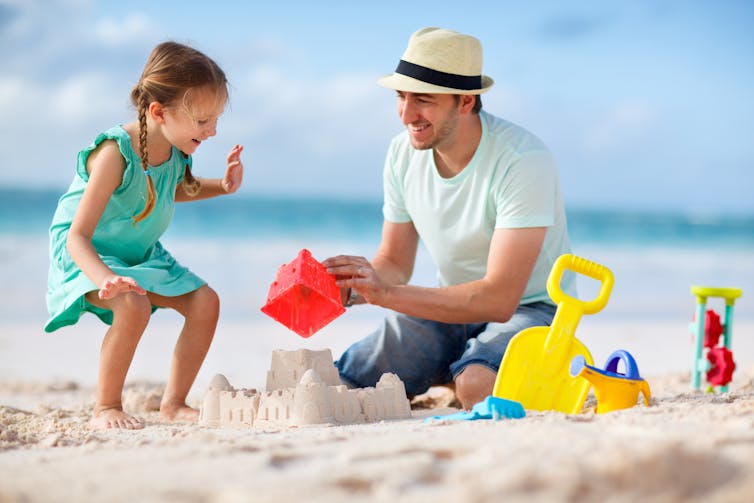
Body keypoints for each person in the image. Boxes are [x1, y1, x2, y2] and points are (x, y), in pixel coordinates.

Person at [323, 27, 573, 410]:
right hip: (450, 311)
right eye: (401, 97)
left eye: (423, 100)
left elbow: (501, 299)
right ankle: (453, 363)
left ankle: (466, 369)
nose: (407, 114)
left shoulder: (523, 160)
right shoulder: (401, 153)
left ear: (465, 102)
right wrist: (352, 286)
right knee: (340, 384)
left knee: (476, 387)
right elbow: (394, 262)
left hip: (532, 308)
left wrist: (386, 294)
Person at [44, 41, 244, 430]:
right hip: (88, 253)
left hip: (139, 252)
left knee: (206, 301)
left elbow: (171, 189)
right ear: (158, 112)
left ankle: (174, 403)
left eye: (216, 120)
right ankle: (105, 407)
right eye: (203, 121)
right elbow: (77, 236)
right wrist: (106, 279)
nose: (213, 131)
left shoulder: (176, 146)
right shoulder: (115, 154)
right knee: (131, 305)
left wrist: (222, 185)